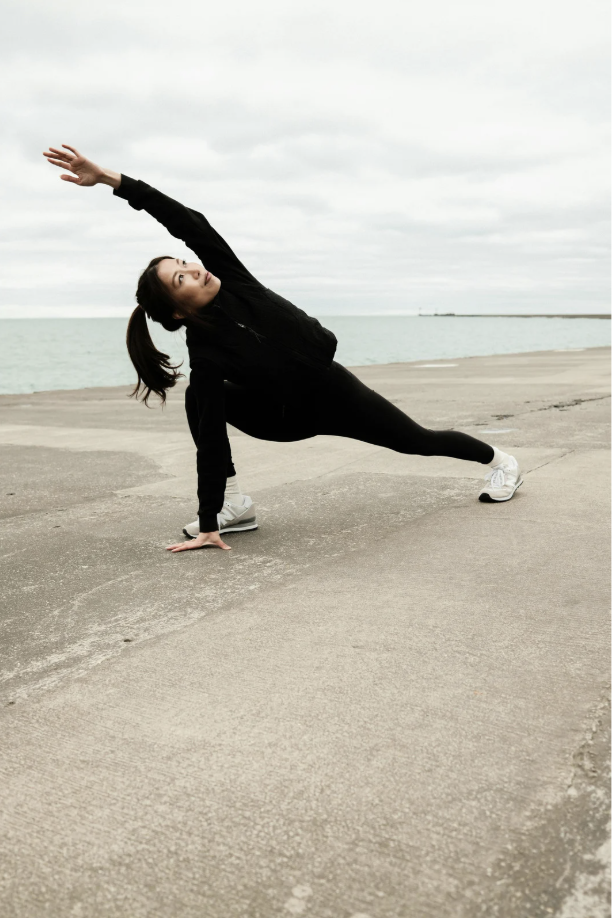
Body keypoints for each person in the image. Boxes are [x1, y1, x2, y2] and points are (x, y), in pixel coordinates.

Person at [43, 143, 523, 553]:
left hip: (335, 394)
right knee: (199, 396)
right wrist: (207, 522)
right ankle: (235, 507)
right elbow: (210, 441)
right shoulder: (206, 355)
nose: (194, 268)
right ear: (177, 312)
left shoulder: (232, 278)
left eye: (186, 262)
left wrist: (110, 178)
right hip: (282, 418)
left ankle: (502, 463)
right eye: (180, 277)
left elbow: (186, 221)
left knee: (418, 441)